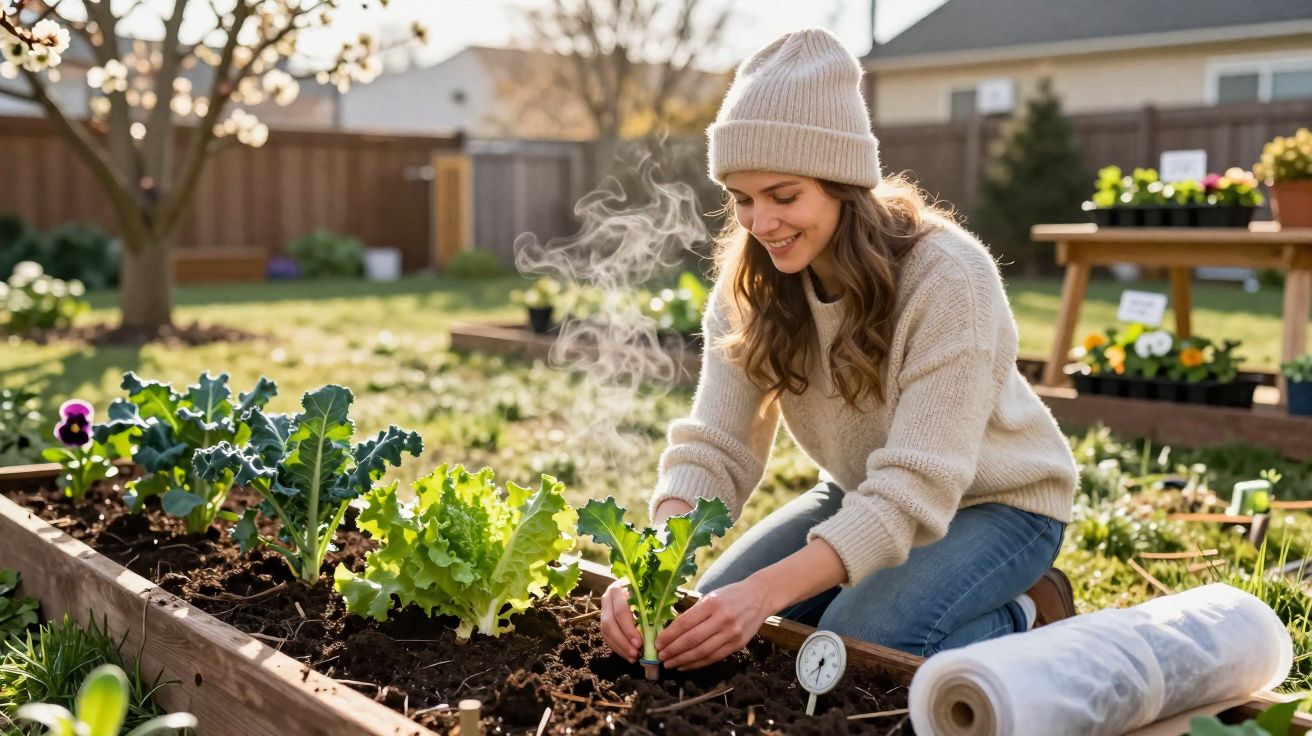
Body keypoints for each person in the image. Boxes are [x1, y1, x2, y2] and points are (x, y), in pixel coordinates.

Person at [597, 28, 1080, 672]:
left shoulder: (947, 278)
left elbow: (916, 486)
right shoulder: (752, 283)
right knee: (702, 621)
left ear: (843, 182)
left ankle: (1026, 613)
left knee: (857, 642)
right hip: (861, 494)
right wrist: (653, 564)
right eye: (742, 199)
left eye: (784, 196)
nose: (760, 224)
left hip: (1000, 506)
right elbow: (716, 446)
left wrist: (765, 592)